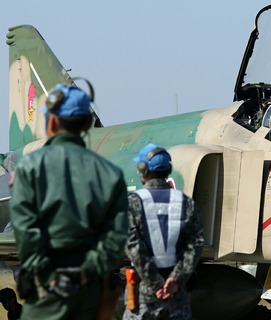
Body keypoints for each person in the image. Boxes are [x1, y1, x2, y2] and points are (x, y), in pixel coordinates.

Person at [10, 83, 129, 319]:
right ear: (86, 124)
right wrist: (84, 274)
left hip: (45, 295)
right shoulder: (110, 173)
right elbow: (115, 239)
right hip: (90, 295)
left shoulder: (29, 168)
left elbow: (25, 234)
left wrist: (52, 277)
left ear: (52, 121)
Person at [123, 144, 204, 320]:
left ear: (143, 170)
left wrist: (154, 283)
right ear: (168, 169)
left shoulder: (133, 203)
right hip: (177, 294)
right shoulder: (185, 202)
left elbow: (133, 246)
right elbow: (195, 244)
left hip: (144, 294)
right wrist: (175, 280)